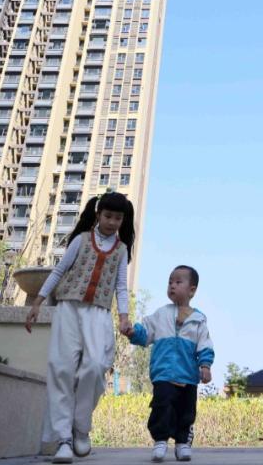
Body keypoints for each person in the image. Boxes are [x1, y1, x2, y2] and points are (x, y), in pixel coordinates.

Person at [26, 191, 135, 463]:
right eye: (108, 216)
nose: (112, 222)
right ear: (98, 215)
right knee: (61, 367)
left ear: (123, 220)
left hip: (98, 313)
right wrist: (38, 302)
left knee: (97, 365)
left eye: (118, 218)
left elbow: (121, 286)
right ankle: (64, 438)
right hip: (68, 308)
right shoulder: (81, 240)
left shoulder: (121, 251)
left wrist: (123, 316)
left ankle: (81, 427)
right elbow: (59, 270)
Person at [126, 264, 214, 463]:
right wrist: (134, 333)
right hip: (163, 373)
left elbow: (205, 344)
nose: (172, 285)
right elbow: (145, 333)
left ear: (192, 290)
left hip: (188, 376)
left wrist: (205, 366)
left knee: (187, 410)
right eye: (170, 282)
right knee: (162, 406)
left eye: (178, 282)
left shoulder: (199, 320)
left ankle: (182, 444)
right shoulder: (161, 314)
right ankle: (160, 441)